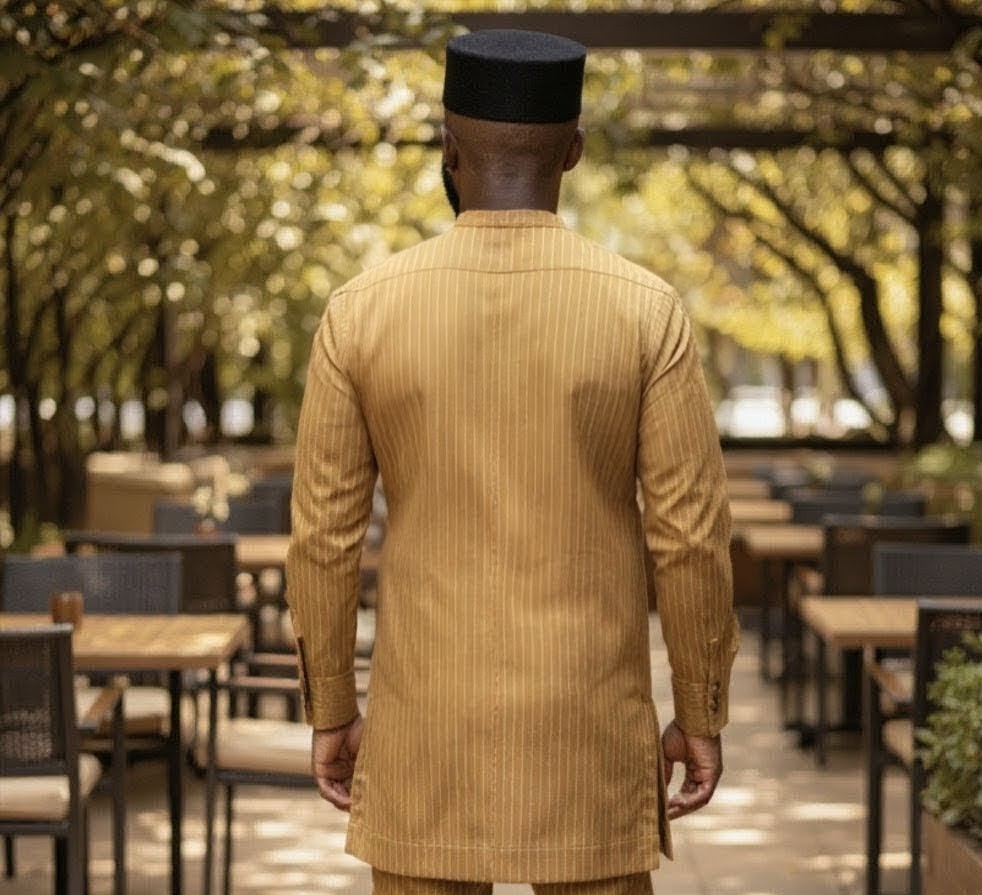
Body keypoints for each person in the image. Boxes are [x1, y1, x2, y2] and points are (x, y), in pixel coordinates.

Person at [285, 27, 739, 895]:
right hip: (590, 733)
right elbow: (689, 537)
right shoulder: (647, 312)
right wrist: (700, 707)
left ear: (448, 147)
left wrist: (332, 707)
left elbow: (323, 539)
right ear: (572, 150)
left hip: (425, 735)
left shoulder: (360, 311)